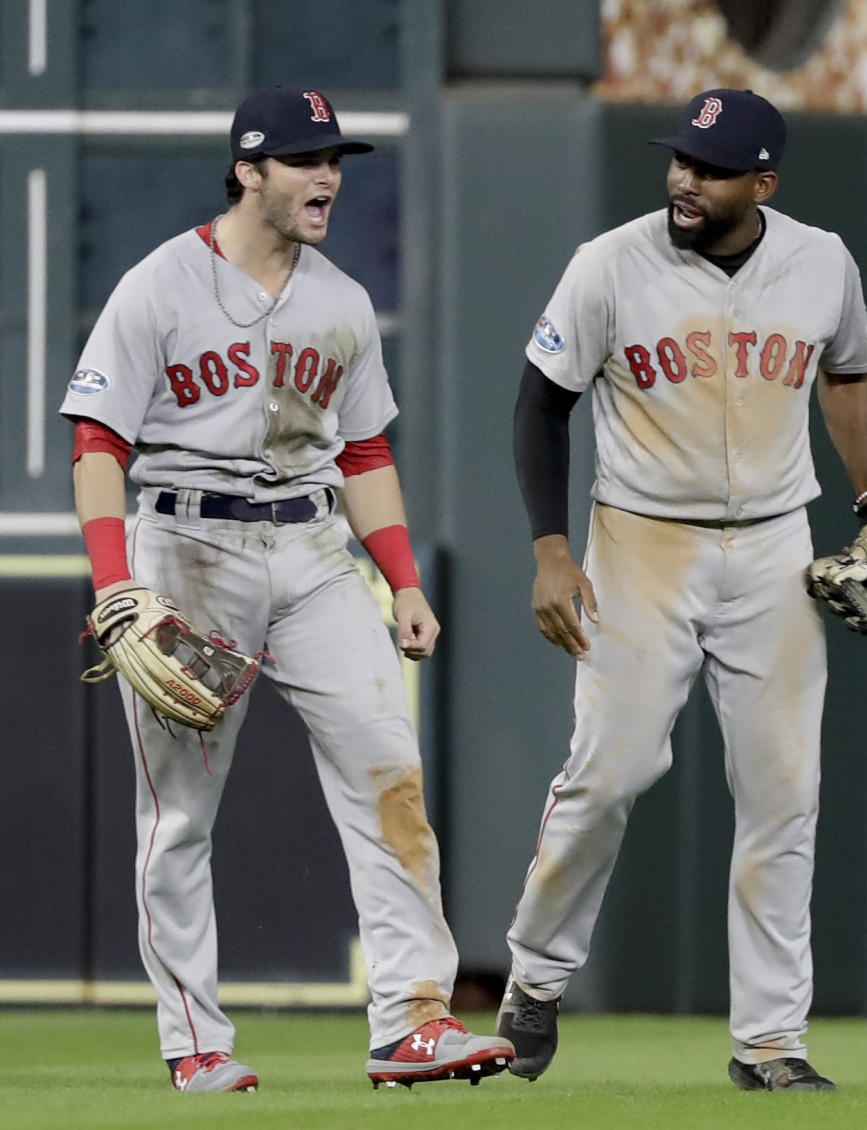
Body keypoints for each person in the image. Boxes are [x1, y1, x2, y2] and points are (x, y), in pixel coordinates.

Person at [60, 84, 513, 1093]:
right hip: (184, 544)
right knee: (178, 816)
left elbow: (362, 449)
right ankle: (197, 1042)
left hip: (313, 555)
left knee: (390, 769)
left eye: (335, 159)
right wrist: (116, 583)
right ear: (249, 170)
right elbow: (97, 443)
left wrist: (400, 579)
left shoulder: (341, 301)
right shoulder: (159, 286)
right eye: (306, 160)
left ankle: (412, 1020)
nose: (328, 177)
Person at [496, 88, 867, 1092]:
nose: (685, 178)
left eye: (712, 168)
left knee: (784, 793)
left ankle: (770, 1041)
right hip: (639, 539)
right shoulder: (610, 264)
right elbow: (540, 403)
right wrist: (552, 546)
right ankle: (535, 975)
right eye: (681, 159)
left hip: (772, 541)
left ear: (762, 183)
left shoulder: (821, 261)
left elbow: (848, 373)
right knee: (611, 771)